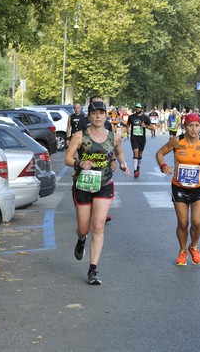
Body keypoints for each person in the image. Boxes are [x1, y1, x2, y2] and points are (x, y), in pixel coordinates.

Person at [65, 101, 130, 285]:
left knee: (98, 226)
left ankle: (93, 269)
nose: (98, 117)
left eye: (101, 113)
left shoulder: (114, 137)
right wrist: (79, 163)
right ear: (89, 116)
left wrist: (123, 163)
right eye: (95, 113)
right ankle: (81, 239)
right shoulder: (79, 136)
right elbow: (68, 158)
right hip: (83, 184)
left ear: (106, 116)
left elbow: (119, 153)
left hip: (104, 184)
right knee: (84, 228)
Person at [156, 113, 200, 265]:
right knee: (183, 222)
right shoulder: (177, 141)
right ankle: (182, 250)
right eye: (190, 126)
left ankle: (194, 246)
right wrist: (163, 165)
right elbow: (160, 153)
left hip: (199, 187)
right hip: (179, 186)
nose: (194, 129)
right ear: (185, 127)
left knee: (196, 222)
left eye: (197, 126)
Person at [127, 103, 153, 178]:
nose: (137, 109)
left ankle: (138, 167)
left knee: (140, 154)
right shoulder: (131, 117)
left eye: (139, 108)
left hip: (142, 138)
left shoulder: (145, 117)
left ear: (142, 109)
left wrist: (146, 126)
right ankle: (135, 171)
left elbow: (152, 128)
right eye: (136, 107)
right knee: (135, 152)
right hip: (134, 137)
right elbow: (128, 124)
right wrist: (127, 129)